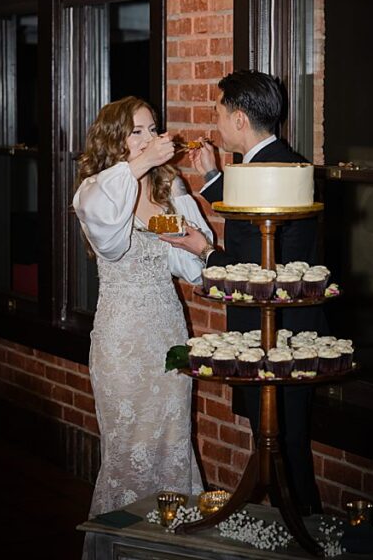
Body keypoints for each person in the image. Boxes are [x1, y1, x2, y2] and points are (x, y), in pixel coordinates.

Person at [164, 70, 325, 515]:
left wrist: (204, 250)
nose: (215, 124)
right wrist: (214, 179)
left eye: (218, 113)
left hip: (279, 331)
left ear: (238, 119)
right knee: (277, 439)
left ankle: (300, 529)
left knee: (284, 443)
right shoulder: (274, 163)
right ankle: (289, 523)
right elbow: (256, 226)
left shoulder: (272, 168)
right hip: (277, 328)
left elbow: (258, 266)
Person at [72, 97, 210, 517]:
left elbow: (195, 269)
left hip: (167, 334)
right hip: (122, 341)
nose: (150, 138)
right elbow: (110, 245)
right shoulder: (97, 190)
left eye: (153, 129)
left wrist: (191, 244)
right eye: (138, 131)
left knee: (173, 443)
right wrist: (139, 164)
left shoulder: (170, 187)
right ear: (115, 140)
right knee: (127, 451)